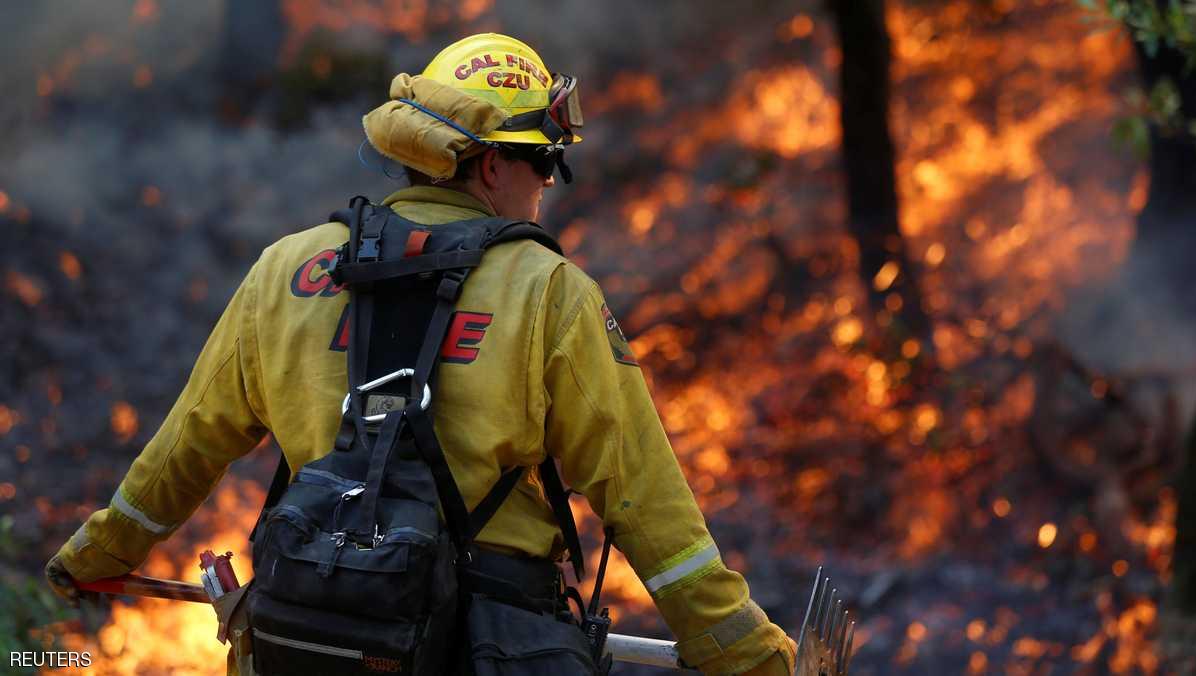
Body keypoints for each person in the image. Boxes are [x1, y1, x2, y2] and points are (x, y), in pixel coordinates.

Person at [45, 33, 797, 675]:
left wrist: (96, 555)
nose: (544, 188)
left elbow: (186, 448)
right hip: (485, 644)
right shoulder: (549, 292)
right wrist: (746, 655)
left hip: (304, 636)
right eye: (542, 165)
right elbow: (645, 504)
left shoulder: (287, 270)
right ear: (491, 167)